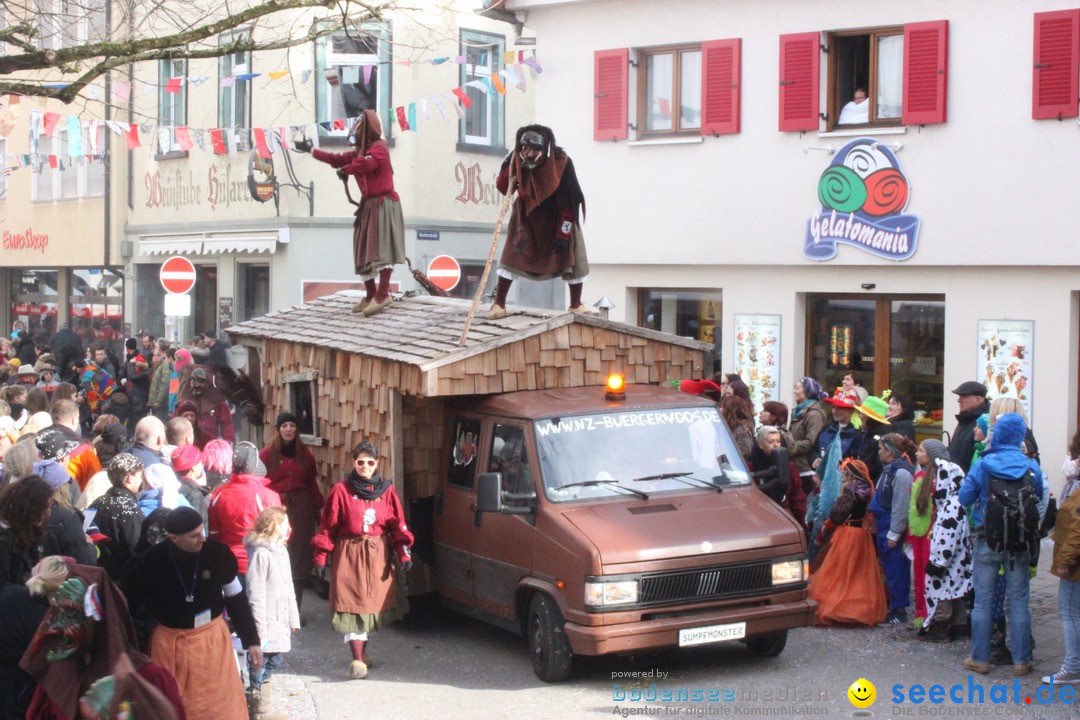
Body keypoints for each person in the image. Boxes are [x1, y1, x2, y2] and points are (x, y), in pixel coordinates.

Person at [124, 506, 261, 720]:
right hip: (169, 644)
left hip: (211, 642)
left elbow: (236, 597)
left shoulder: (217, 553)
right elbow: (130, 604)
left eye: (202, 531)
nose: (202, 538)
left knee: (217, 705)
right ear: (174, 538)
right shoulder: (151, 561)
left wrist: (252, 640)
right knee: (172, 704)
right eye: (194, 535)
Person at [312, 441, 414, 679]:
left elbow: (397, 524)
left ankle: (362, 653)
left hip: (378, 553)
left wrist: (403, 552)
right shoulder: (340, 490)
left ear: (377, 463)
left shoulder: (387, 491)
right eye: (361, 462)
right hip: (350, 553)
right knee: (352, 605)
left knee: (368, 609)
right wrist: (320, 557)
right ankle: (357, 659)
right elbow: (328, 526)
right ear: (353, 463)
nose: (365, 466)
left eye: (370, 462)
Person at [959, 413, 1046, 677]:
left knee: (983, 602)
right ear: (1020, 435)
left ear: (997, 435)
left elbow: (964, 496)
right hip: (1019, 541)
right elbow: (1039, 497)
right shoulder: (1031, 466)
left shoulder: (984, 464)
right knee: (1019, 601)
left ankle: (980, 658)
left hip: (987, 538)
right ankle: (1021, 660)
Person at [294, 110, 405, 316]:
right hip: (368, 205)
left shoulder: (379, 148)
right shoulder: (360, 152)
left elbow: (367, 163)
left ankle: (383, 294)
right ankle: (371, 293)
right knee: (363, 249)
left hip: (383, 203)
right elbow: (338, 159)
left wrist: (347, 170)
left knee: (381, 248)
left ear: (366, 131)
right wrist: (311, 150)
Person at [489, 125, 589, 318]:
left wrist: (563, 233)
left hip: (558, 216)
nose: (529, 153)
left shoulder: (562, 163)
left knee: (574, 256)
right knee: (511, 256)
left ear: (545, 150)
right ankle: (499, 304)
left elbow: (570, 201)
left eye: (534, 148)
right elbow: (504, 188)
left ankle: (576, 303)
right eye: (525, 147)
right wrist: (508, 166)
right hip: (526, 218)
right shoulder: (517, 159)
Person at [808, 458, 887, 625]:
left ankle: (837, 607)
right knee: (859, 573)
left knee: (839, 572)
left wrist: (825, 529)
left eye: (845, 473)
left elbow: (837, 515)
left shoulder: (850, 492)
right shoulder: (867, 491)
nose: (842, 475)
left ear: (852, 475)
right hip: (862, 535)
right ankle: (859, 608)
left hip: (847, 535)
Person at [260, 412, 323, 610]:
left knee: (299, 557)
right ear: (278, 429)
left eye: (292, 425)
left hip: (300, 509)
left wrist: (317, 511)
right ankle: (275, 607)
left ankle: (294, 609)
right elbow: (260, 484)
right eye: (284, 425)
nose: (288, 429)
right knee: (275, 553)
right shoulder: (267, 454)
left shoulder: (305, 456)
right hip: (275, 509)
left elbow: (311, 484)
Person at [244, 507, 300, 717]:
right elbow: (255, 593)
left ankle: (258, 697)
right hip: (266, 619)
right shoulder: (261, 554)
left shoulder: (281, 551)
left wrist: (293, 618)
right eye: (285, 523)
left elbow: (289, 587)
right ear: (274, 526)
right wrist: (259, 629)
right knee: (260, 662)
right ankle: (258, 705)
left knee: (275, 659)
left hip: (280, 617)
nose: (289, 528)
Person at [921, 449, 974, 644]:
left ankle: (940, 627)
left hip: (947, 563)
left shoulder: (950, 506)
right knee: (955, 592)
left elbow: (948, 536)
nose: (934, 483)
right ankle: (959, 626)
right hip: (957, 561)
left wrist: (938, 561)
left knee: (942, 593)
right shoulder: (953, 503)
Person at [208, 442, 282, 575]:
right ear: (256, 467)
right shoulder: (269, 496)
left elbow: (214, 534)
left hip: (227, 564)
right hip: (260, 565)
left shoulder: (218, 494)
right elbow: (282, 534)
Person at [1043, 428, 1080, 685]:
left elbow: (1077, 530)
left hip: (1075, 563)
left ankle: (1073, 667)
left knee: (1069, 611)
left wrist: (1065, 561)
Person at [872, 432, 917, 625]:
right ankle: (893, 605)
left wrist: (895, 533)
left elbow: (901, 505)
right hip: (883, 523)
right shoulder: (890, 469)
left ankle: (899, 609)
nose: (879, 452)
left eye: (881, 449)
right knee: (889, 568)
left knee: (897, 568)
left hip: (890, 525)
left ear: (890, 453)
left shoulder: (901, 473)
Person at [87, 454, 145, 583]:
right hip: (122, 581)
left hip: (97, 577)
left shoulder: (97, 503)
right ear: (129, 478)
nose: (141, 481)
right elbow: (138, 550)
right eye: (139, 476)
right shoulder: (130, 510)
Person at [908, 439, 944, 631]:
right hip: (919, 534)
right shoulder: (919, 476)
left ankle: (931, 614)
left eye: (921, 451)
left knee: (929, 575)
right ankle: (920, 613)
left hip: (931, 535)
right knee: (919, 575)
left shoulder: (938, 479)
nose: (916, 453)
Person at [746, 425, 806, 525]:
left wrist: (801, 521)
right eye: (770, 442)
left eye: (778, 441)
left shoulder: (789, 466)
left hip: (783, 514)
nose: (776, 445)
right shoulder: (750, 467)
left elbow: (797, 496)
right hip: (758, 516)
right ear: (760, 445)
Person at [0, 477, 54, 585]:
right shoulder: (4, 542)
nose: (49, 513)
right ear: (31, 509)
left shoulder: (30, 534)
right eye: (46, 507)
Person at [789, 377, 829, 496]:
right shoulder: (796, 412)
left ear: (807, 391)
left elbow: (810, 441)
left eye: (797, 388)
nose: (794, 391)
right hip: (796, 465)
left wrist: (790, 446)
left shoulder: (814, 414)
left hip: (806, 467)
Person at [178, 367, 235, 448]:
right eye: (193, 380)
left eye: (200, 381)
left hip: (212, 448)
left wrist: (226, 446)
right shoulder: (185, 402)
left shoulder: (218, 403)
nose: (196, 384)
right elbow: (175, 425)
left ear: (208, 382)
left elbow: (227, 427)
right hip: (188, 448)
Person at [811, 389, 864, 474]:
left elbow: (856, 463)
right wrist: (815, 459)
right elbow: (813, 451)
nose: (835, 411)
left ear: (850, 410)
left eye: (840, 408)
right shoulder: (826, 428)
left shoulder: (857, 434)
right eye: (833, 407)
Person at [948, 381, 990, 474]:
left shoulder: (986, 423)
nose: (959, 400)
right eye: (959, 396)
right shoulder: (964, 419)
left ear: (978, 399)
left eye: (964, 396)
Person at [170, 444, 210, 526]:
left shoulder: (170, 487)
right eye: (199, 461)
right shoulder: (195, 494)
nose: (202, 464)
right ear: (193, 467)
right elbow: (196, 528)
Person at [122, 339, 150, 432]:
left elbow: (133, 377)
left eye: (135, 366)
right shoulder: (140, 374)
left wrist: (130, 364)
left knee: (135, 428)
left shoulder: (144, 374)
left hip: (139, 406)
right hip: (134, 404)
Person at [720, 395, 755, 461]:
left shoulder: (742, 429)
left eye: (722, 407)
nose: (720, 409)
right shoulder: (733, 426)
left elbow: (744, 453)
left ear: (730, 410)